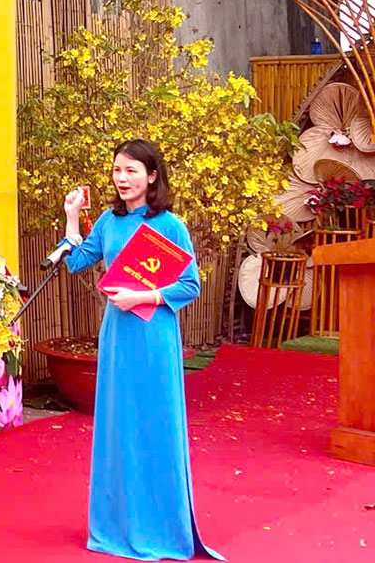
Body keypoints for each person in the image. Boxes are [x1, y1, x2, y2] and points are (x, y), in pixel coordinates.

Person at [55, 139, 222, 561]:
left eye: (131, 170)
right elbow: (78, 262)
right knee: (118, 426)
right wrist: (72, 219)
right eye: (116, 171)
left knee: (155, 424)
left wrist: (143, 296)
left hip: (154, 336)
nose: (122, 178)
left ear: (151, 176)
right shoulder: (109, 224)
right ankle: (117, 524)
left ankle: (162, 526)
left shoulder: (170, 226)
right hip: (117, 336)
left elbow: (189, 285)